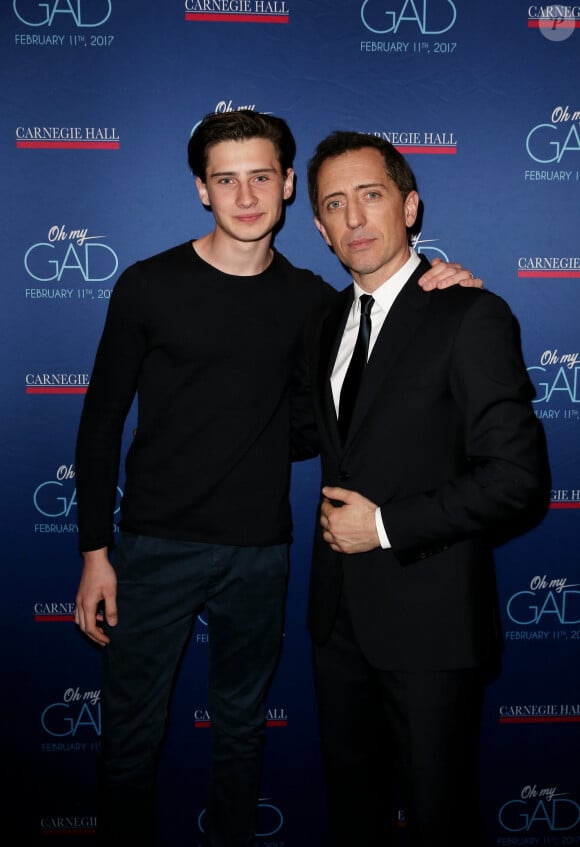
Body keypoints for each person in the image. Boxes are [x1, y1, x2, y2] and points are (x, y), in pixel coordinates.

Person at [73, 110, 479, 847]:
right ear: (202, 189)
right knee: (129, 742)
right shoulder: (147, 285)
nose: (247, 194)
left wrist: (443, 285)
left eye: (262, 176)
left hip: (261, 553)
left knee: (240, 737)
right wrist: (95, 552)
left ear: (289, 184)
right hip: (151, 549)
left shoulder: (314, 306)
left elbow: (368, 361)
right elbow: (99, 423)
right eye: (226, 179)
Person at [304, 131, 550, 847]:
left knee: (442, 824)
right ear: (318, 228)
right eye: (335, 205)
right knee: (355, 821)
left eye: (371, 196)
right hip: (337, 624)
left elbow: (518, 480)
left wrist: (384, 527)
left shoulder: (470, 313)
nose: (354, 219)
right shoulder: (323, 324)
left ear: (410, 206)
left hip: (432, 626)